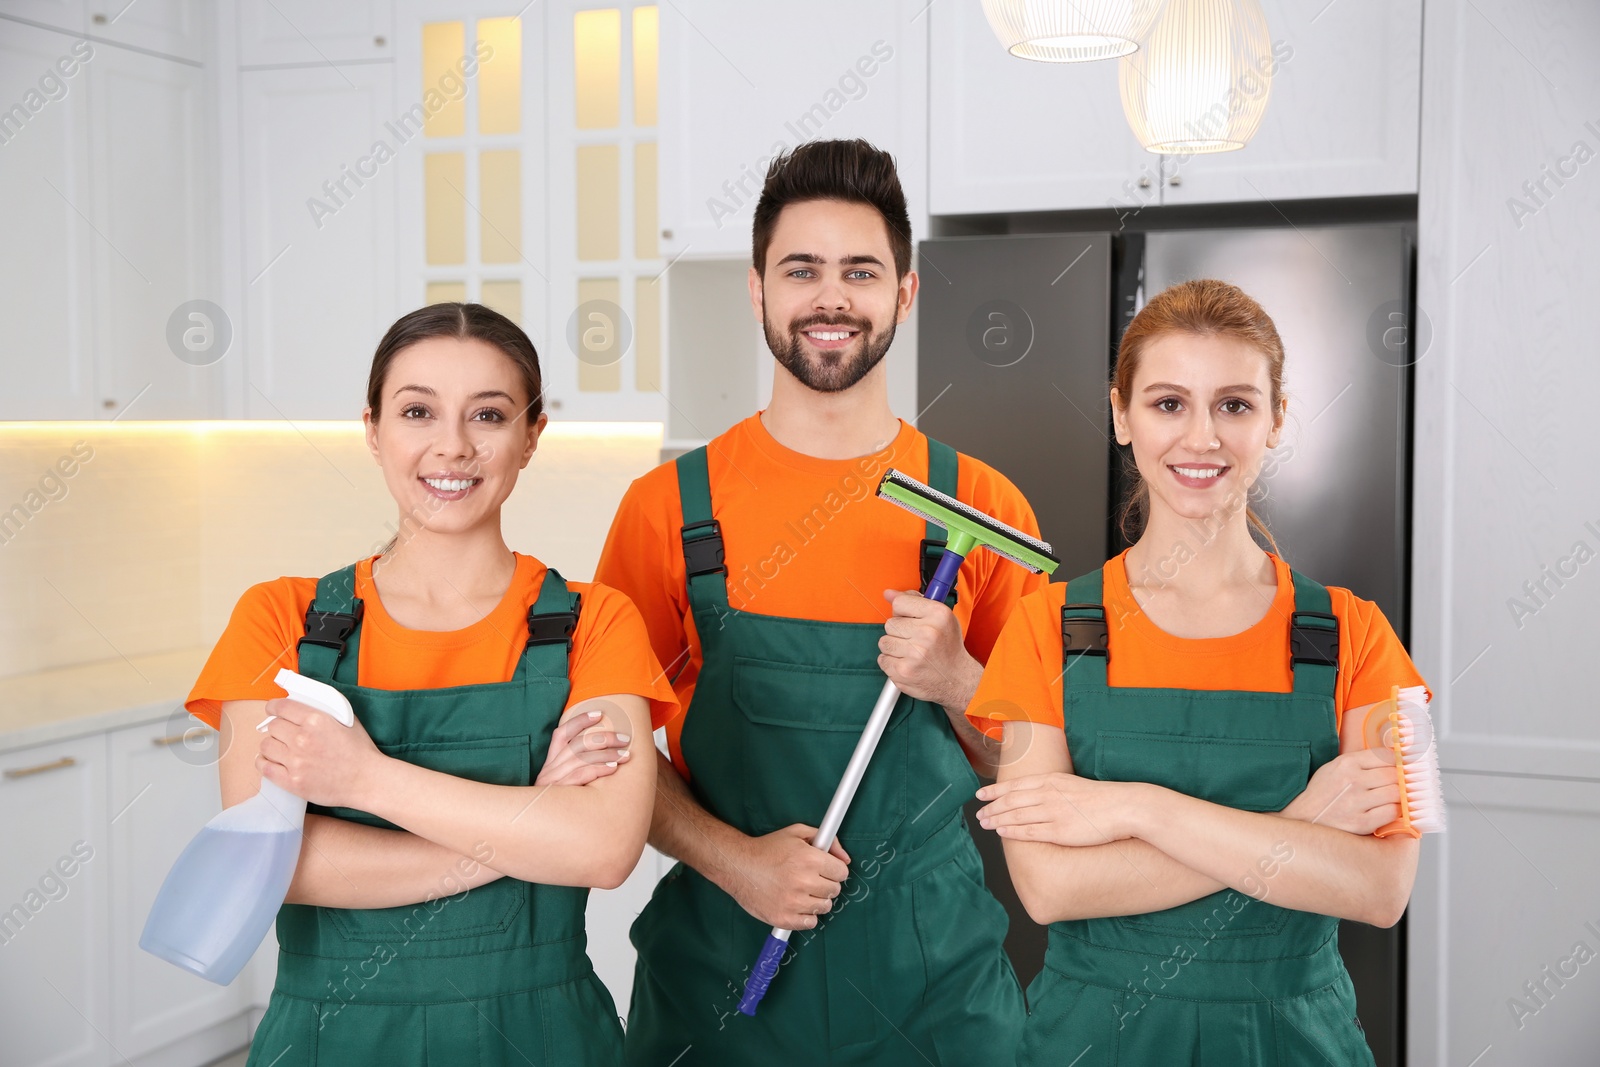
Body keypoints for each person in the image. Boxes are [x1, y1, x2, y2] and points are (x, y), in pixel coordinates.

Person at [596, 138, 1041, 1065]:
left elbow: (1038, 775)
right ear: (757, 289)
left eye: (860, 270)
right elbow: (616, 749)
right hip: (719, 990)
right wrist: (735, 861)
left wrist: (959, 679)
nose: (830, 297)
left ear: (905, 294)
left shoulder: (983, 511)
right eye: (801, 269)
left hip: (936, 992)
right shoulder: (670, 512)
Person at [185, 303, 673, 1066]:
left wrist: (361, 777)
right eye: (418, 411)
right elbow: (269, 863)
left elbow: (605, 849)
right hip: (332, 1038)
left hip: (543, 1037)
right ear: (374, 429)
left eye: (488, 414)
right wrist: (523, 832)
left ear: (532, 435)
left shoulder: (594, 623)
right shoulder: (280, 619)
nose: (452, 446)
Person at [968, 279, 1429, 1066]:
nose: (1201, 438)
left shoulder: (1367, 635)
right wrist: (1302, 825)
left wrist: (1136, 808)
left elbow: (1384, 891)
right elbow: (1048, 888)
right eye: (1169, 403)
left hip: (1295, 1041)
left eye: (1236, 405)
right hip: (1091, 1040)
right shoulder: (1042, 626)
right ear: (1122, 415)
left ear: (1277, 419)